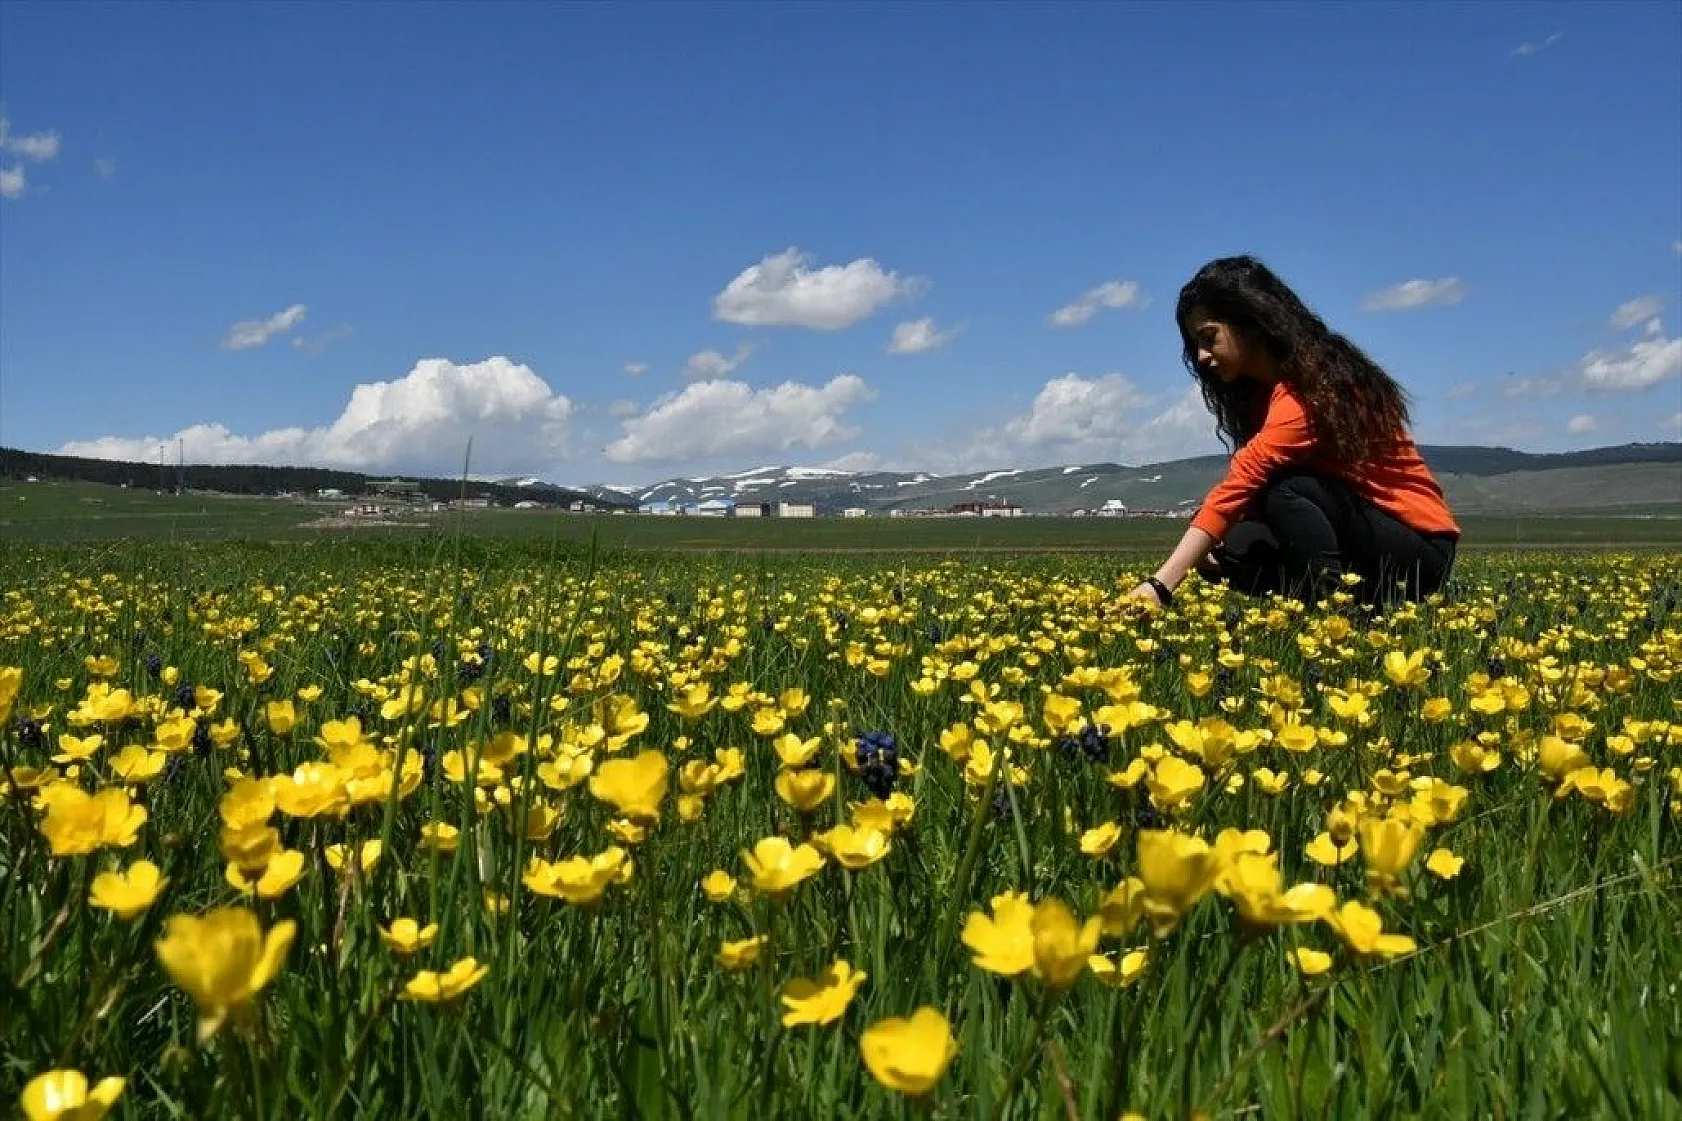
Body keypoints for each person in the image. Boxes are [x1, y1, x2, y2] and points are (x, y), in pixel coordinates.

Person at [1125, 255, 1460, 612]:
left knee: (1287, 490)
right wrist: (1207, 542)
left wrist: (1161, 585)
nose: (1202, 356)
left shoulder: (1310, 394)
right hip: (1364, 534)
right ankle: (1349, 603)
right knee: (1226, 547)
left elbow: (1245, 481)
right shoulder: (1261, 395)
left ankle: (1329, 613)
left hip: (1420, 551)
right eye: (1195, 345)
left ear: (1250, 323)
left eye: (1210, 338)